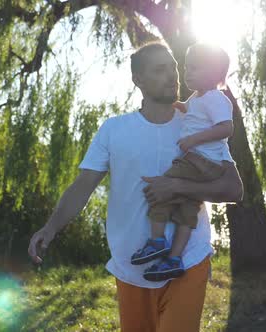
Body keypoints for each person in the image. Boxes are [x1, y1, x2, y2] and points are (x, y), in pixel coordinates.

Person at [28, 41, 243, 332]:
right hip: (131, 266)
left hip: (188, 261)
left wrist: (177, 187)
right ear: (138, 80)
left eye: (174, 68)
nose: (173, 76)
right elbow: (83, 186)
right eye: (160, 70)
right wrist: (50, 228)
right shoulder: (114, 130)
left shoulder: (196, 124)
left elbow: (233, 189)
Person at [131, 43, 235, 282]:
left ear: (215, 74)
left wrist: (193, 139)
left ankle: (156, 242)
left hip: (201, 161)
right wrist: (178, 106)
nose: (187, 73)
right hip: (204, 164)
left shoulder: (216, 99)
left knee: (161, 190)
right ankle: (174, 259)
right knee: (188, 210)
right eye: (186, 68)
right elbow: (191, 111)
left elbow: (226, 127)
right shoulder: (198, 99)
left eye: (195, 68)